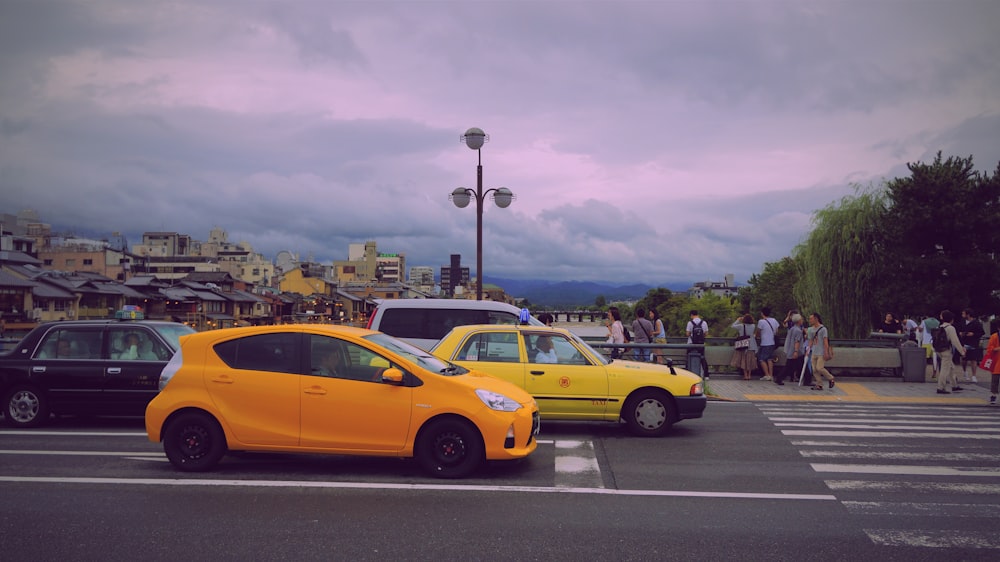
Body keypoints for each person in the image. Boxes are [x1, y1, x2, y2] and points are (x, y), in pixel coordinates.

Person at [935, 309, 966, 394]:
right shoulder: (950, 328)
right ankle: (940, 387)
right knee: (945, 369)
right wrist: (962, 352)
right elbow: (955, 341)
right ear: (951, 319)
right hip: (946, 351)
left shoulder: (940, 327)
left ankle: (954, 385)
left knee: (951, 367)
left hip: (939, 350)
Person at [807, 312, 835, 390]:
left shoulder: (823, 329)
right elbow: (811, 340)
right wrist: (808, 349)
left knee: (819, 368)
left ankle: (831, 378)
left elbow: (825, 340)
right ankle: (819, 384)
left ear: (816, 319)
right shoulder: (811, 329)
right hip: (814, 351)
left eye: (811, 318)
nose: (810, 320)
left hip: (821, 352)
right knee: (814, 370)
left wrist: (826, 351)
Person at [777, 313, 805, 386]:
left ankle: (807, 379)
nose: (802, 320)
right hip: (796, 352)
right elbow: (797, 341)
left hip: (790, 350)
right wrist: (796, 351)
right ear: (799, 321)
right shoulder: (798, 331)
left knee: (796, 365)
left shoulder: (792, 329)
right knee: (789, 366)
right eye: (801, 319)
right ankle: (779, 378)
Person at [959, 308, 984, 383]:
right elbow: (958, 330)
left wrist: (973, 334)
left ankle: (974, 375)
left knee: (973, 359)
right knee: (964, 359)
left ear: (968, 314)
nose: (962, 315)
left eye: (964, 313)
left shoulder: (976, 323)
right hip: (964, 342)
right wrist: (961, 333)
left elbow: (981, 332)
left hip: (973, 343)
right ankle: (965, 372)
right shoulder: (962, 322)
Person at [729, 314, 758, 381]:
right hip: (752, 345)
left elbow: (732, 326)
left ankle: (745, 375)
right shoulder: (753, 326)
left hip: (744, 345)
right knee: (750, 361)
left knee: (744, 360)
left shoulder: (741, 326)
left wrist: (738, 320)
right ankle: (749, 375)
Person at [756, 307, 780, 381]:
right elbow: (777, 331)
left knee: (761, 359)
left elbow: (758, 332)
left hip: (765, 343)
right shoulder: (774, 320)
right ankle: (771, 375)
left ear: (762, 313)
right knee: (769, 359)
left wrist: (757, 336)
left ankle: (767, 375)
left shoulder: (761, 322)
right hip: (772, 342)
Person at [686, 310, 710, 379]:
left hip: (691, 343)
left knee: (688, 358)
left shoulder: (690, 323)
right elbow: (706, 333)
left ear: (691, 315)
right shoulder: (704, 322)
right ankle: (706, 375)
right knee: (702, 358)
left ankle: (688, 374)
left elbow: (687, 333)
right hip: (701, 344)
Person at [918, 314, 941, 379]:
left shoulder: (924, 321)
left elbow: (920, 329)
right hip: (934, 342)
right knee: (935, 359)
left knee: (924, 359)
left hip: (926, 342)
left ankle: (922, 373)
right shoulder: (937, 322)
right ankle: (934, 373)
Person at [984, 319, 1000, 406]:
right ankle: (993, 395)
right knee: (995, 380)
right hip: (996, 361)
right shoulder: (994, 336)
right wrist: (995, 349)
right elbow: (989, 349)